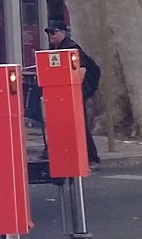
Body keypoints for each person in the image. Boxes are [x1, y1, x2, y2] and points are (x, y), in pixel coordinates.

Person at [43, 21, 102, 164]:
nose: (50, 35)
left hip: (77, 91)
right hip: (62, 92)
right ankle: (53, 151)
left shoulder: (72, 47)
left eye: (53, 32)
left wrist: (74, 92)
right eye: (49, 33)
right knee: (60, 122)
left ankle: (92, 156)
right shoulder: (54, 49)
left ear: (63, 32)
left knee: (79, 122)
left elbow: (81, 70)